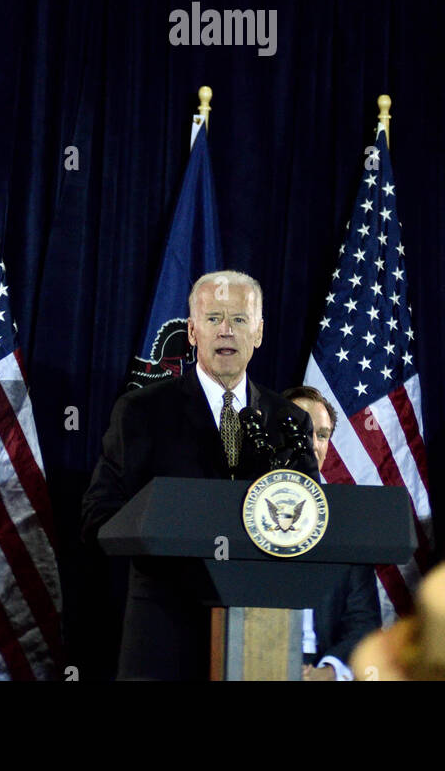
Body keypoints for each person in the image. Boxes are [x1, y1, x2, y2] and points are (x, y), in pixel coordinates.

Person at [82, 270, 321, 681]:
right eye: (213, 319)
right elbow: (98, 517)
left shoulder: (289, 420)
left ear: (259, 333)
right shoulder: (141, 413)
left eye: (239, 320)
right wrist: (166, 526)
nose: (226, 331)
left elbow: (311, 520)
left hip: (261, 629)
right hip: (163, 629)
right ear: (192, 332)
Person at [282, 385, 382, 681]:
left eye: (322, 435)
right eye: (301, 429)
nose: (313, 444)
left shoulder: (346, 524)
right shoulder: (239, 511)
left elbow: (363, 622)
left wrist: (329, 672)